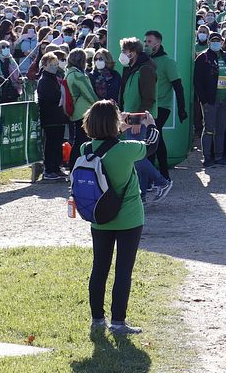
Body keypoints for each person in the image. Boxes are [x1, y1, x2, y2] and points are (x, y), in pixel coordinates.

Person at [82, 100, 156, 335]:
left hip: (99, 217)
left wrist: (115, 130)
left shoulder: (86, 149)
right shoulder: (126, 150)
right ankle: (118, 322)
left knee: (99, 268)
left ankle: (97, 319)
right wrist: (151, 125)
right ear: (114, 123)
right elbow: (151, 145)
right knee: (123, 270)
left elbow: (105, 144)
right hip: (129, 219)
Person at [144, 30, 187, 180]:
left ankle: (161, 175)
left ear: (158, 43)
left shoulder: (168, 62)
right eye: (145, 41)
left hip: (162, 106)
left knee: (154, 136)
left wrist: (181, 109)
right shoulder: (144, 60)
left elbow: (178, 86)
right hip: (147, 106)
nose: (146, 44)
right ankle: (159, 175)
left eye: (149, 41)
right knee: (155, 137)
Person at [193, 33, 226, 166]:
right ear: (209, 42)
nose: (216, 43)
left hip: (225, 99)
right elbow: (197, 80)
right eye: (213, 40)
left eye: (218, 40)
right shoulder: (203, 57)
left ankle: (219, 156)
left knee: (221, 128)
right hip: (210, 100)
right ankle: (207, 157)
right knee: (209, 128)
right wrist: (203, 99)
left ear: (222, 42)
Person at [36, 53, 68, 181]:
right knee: (50, 143)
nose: (54, 67)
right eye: (51, 65)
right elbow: (48, 99)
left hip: (58, 116)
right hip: (50, 116)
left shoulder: (56, 78)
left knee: (58, 143)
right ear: (44, 65)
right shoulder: (44, 80)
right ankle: (49, 169)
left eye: (55, 64)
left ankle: (56, 167)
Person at [65, 49, 99, 153]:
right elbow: (89, 94)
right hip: (83, 112)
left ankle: (74, 164)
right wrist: (100, 105)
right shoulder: (78, 75)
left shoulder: (69, 73)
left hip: (76, 112)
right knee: (82, 141)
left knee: (78, 140)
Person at [117, 37, 157, 115]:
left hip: (140, 122)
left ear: (133, 53)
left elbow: (148, 99)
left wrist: (138, 120)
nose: (122, 54)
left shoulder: (145, 69)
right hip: (129, 119)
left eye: (124, 51)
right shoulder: (130, 69)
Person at [0, 39, 22, 103]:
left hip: (13, 89)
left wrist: (21, 78)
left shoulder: (11, 60)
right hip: (1, 90)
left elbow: (18, 73)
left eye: (8, 46)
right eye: (3, 47)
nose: (6, 48)